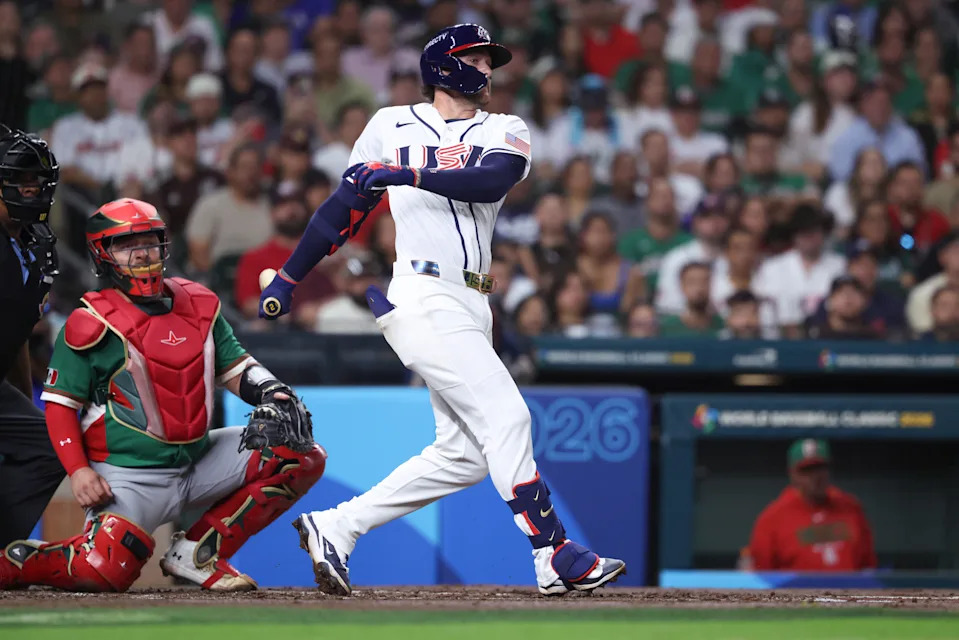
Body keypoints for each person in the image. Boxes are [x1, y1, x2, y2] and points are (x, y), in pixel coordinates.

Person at [259, 24, 625, 597]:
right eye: (476, 58)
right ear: (444, 65)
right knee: (509, 419)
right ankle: (553, 552)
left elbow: (491, 178)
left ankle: (337, 526)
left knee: (462, 457)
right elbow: (343, 209)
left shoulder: (504, 127)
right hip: (423, 294)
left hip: (474, 299)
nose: (486, 69)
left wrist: (407, 173)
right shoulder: (388, 124)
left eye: (489, 60)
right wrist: (289, 275)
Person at [0, 198, 326, 591]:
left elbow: (236, 368)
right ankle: (23, 560)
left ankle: (199, 554)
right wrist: (79, 470)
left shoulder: (201, 303)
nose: (141, 254)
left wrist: (273, 392)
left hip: (198, 458)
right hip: (127, 473)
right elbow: (59, 406)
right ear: (103, 255)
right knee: (103, 572)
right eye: (125, 245)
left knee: (300, 454)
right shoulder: (90, 322)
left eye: (149, 242)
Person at [0, 128, 65, 546]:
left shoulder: (37, 249)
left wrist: (23, 401)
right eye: (21, 177)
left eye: (37, 179)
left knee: (49, 447)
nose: (31, 187)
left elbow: (18, 333)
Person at [748, 439, 877, 571]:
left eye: (820, 468)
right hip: (796, 591)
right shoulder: (772, 518)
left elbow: (868, 565)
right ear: (793, 474)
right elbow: (762, 575)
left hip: (851, 590)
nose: (815, 476)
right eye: (807, 470)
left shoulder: (851, 508)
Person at [806, 275, 883, 339]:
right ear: (830, 300)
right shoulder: (812, 333)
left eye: (854, 292)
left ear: (865, 301)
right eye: (842, 292)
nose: (848, 298)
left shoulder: (872, 337)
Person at [658, 261, 724, 337]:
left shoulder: (724, 326)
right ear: (682, 286)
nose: (699, 288)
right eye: (692, 282)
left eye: (705, 281)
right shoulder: (666, 328)